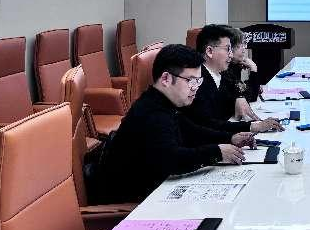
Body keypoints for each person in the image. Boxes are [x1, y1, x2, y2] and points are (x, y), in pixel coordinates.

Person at [96, 44, 255, 203]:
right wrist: (217, 152)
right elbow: (171, 159)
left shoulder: (163, 102)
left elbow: (192, 131)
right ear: (166, 79)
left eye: (198, 81)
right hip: (132, 203)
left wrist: (231, 138)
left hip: (153, 189)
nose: (195, 88)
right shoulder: (151, 113)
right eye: (191, 81)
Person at [185, 24, 283, 133]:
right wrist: (252, 126)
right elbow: (208, 124)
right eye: (228, 49)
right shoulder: (196, 81)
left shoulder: (221, 75)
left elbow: (243, 96)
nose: (231, 55)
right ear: (209, 52)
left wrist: (239, 96)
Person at [220, 28, 262, 121]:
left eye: (244, 45)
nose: (244, 50)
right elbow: (250, 97)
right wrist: (253, 69)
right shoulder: (224, 69)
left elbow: (244, 93)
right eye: (240, 46)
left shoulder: (235, 65)